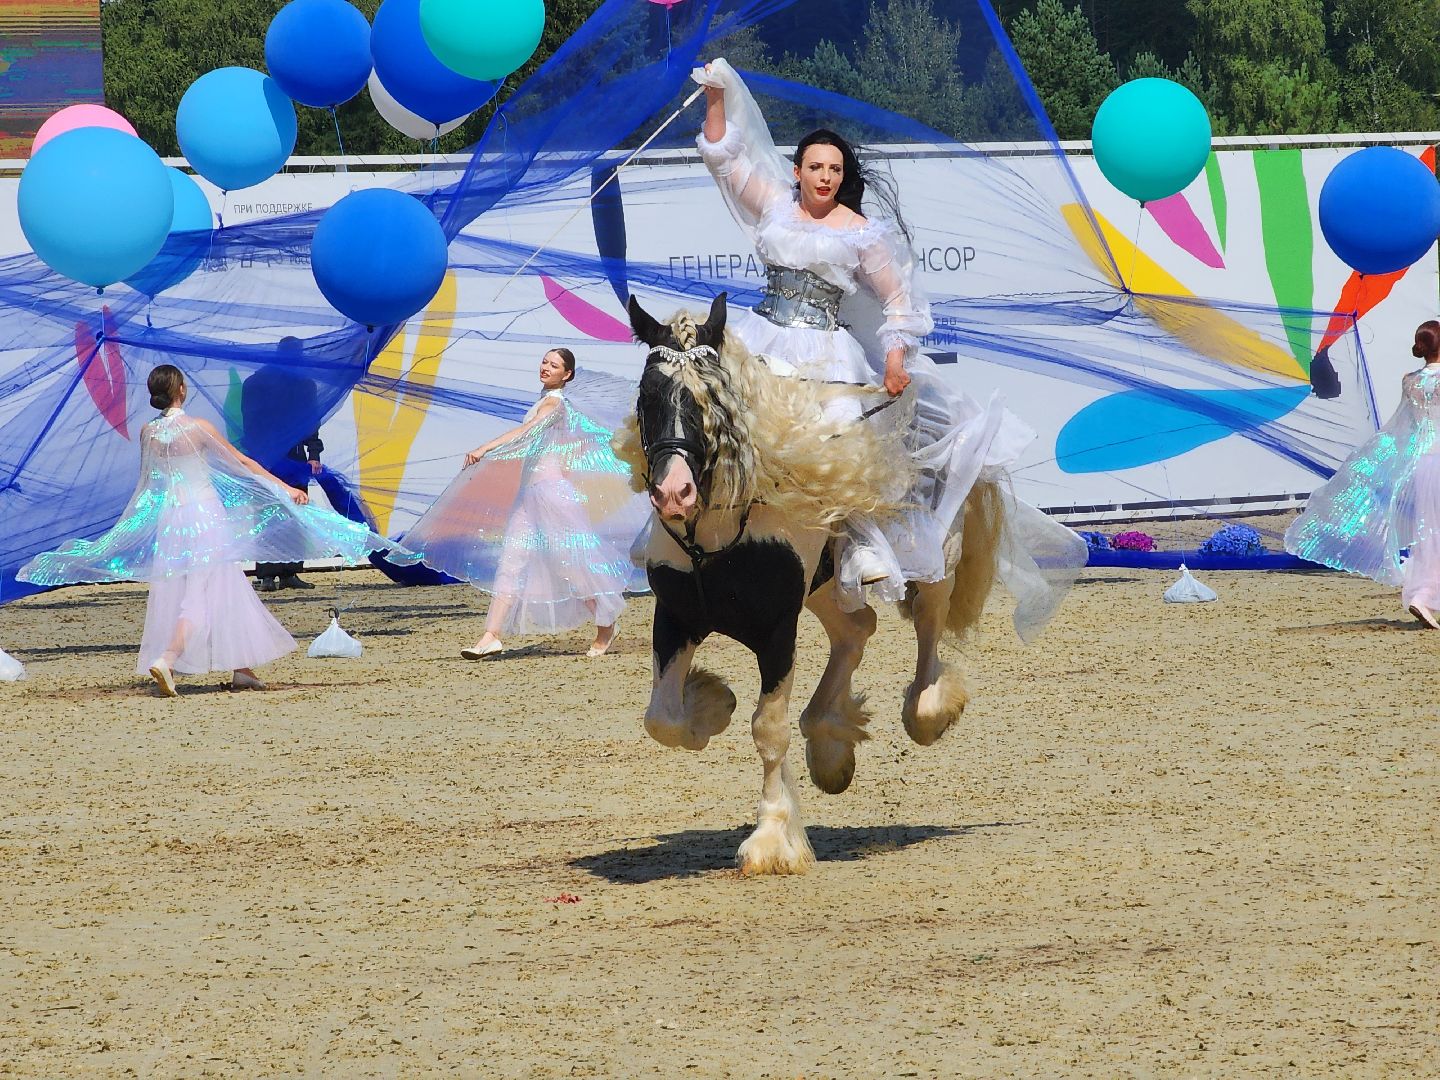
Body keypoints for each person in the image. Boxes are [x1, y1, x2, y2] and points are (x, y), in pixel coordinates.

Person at [690, 58, 1084, 624]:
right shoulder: (774, 204)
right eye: (815, 166)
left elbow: (900, 301)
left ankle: (859, 546)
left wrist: (896, 358)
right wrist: (717, 93)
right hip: (763, 334)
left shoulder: (861, 232)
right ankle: (687, 525)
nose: (825, 176)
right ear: (796, 171)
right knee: (708, 408)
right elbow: (725, 159)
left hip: (824, 348)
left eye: (834, 168)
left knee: (838, 446)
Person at [17, 365, 416, 695]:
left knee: (223, 586)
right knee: (201, 594)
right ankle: (167, 659)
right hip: (204, 517)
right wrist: (285, 488)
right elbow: (243, 463)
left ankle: (242, 668)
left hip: (171, 520)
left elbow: (146, 485)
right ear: (181, 390)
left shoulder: (149, 432)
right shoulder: (198, 427)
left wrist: (131, 525)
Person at [403, 348, 647, 659]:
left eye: (554, 365)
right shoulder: (542, 401)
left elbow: (526, 431)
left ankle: (606, 621)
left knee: (570, 563)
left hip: (552, 495)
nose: (546, 367)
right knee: (511, 562)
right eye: (545, 361)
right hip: (529, 496)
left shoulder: (556, 404)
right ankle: (491, 636)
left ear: (567, 374)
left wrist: (484, 448)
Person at [1286, 319, 1440, 628]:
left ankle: (1422, 595)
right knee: (1433, 533)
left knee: (1429, 534)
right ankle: (1423, 595)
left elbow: (1403, 427)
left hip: (1420, 463)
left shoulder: (1409, 380)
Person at [242, 338, 324, 592]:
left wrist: (313, 453)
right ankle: (277, 573)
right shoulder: (294, 383)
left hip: (272, 457)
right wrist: (313, 453)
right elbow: (310, 421)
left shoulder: (260, 382)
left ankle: (281, 573)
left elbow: (309, 420)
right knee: (283, 513)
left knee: (283, 513)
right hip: (277, 457)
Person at [253, 429, 324, 592]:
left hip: (295, 463)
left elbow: (310, 421)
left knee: (296, 518)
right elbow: (250, 425)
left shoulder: (300, 402)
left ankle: (290, 573)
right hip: (267, 462)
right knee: (267, 518)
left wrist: (314, 454)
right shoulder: (257, 402)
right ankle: (267, 575)